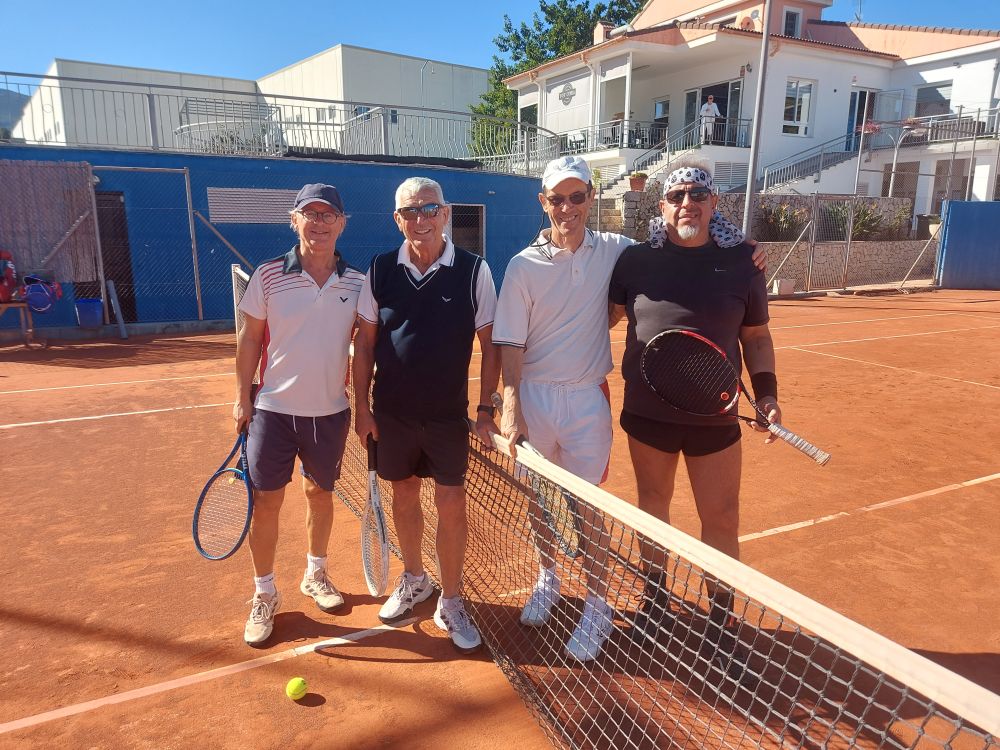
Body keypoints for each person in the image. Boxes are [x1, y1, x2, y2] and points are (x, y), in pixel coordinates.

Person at [493, 155, 763, 663]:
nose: (568, 207)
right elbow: (512, 341)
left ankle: (599, 605)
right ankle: (549, 578)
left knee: (590, 507)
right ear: (544, 202)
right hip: (536, 396)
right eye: (558, 198)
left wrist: (744, 243)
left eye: (577, 196)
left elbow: (680, 247)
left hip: (587, 398)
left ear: (591, 198)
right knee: (538, 497)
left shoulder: (618, 251)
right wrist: (510, 405)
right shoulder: (525, 265)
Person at [608, 158, 779, 673]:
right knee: (652, 506)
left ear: (713, 204)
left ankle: (721, 624)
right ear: (662, 206)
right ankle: (655, 603)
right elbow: (604, 316)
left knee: (721, 517)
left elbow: (756, 337)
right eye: (677, 196)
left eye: (698, 195)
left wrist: (767, 395)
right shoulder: (635, 260)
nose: (688, 204)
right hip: (649, 414)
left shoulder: (744, 261)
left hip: (717, 417)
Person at [353, 176, 501, 654]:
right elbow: (365, 345)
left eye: (429, 209)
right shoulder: (379, 269)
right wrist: (362, 408)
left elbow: (491, 345)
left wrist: (485, 408)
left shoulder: (474, 270)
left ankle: (451, 600)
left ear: (445, 213)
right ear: (397, 219)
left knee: (451, 503)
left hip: (446, 418)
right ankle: (415, 578)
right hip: (392, 415)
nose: (421, 219)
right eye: (410, 212)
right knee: (404, 496)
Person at [235, 183, 365, 647]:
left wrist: (367, 404)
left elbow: (368, 346)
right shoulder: (268, 275)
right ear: (295, 221)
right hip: (272, 411)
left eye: (329, 215)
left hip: (329, 413)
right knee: (266, 502)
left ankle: (316, 572)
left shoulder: (358, 283)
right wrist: (242, 397)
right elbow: (250, 337)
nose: (319, 223)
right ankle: (265, 593)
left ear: (342, 224)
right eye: (310, 214)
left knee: (320, 495)